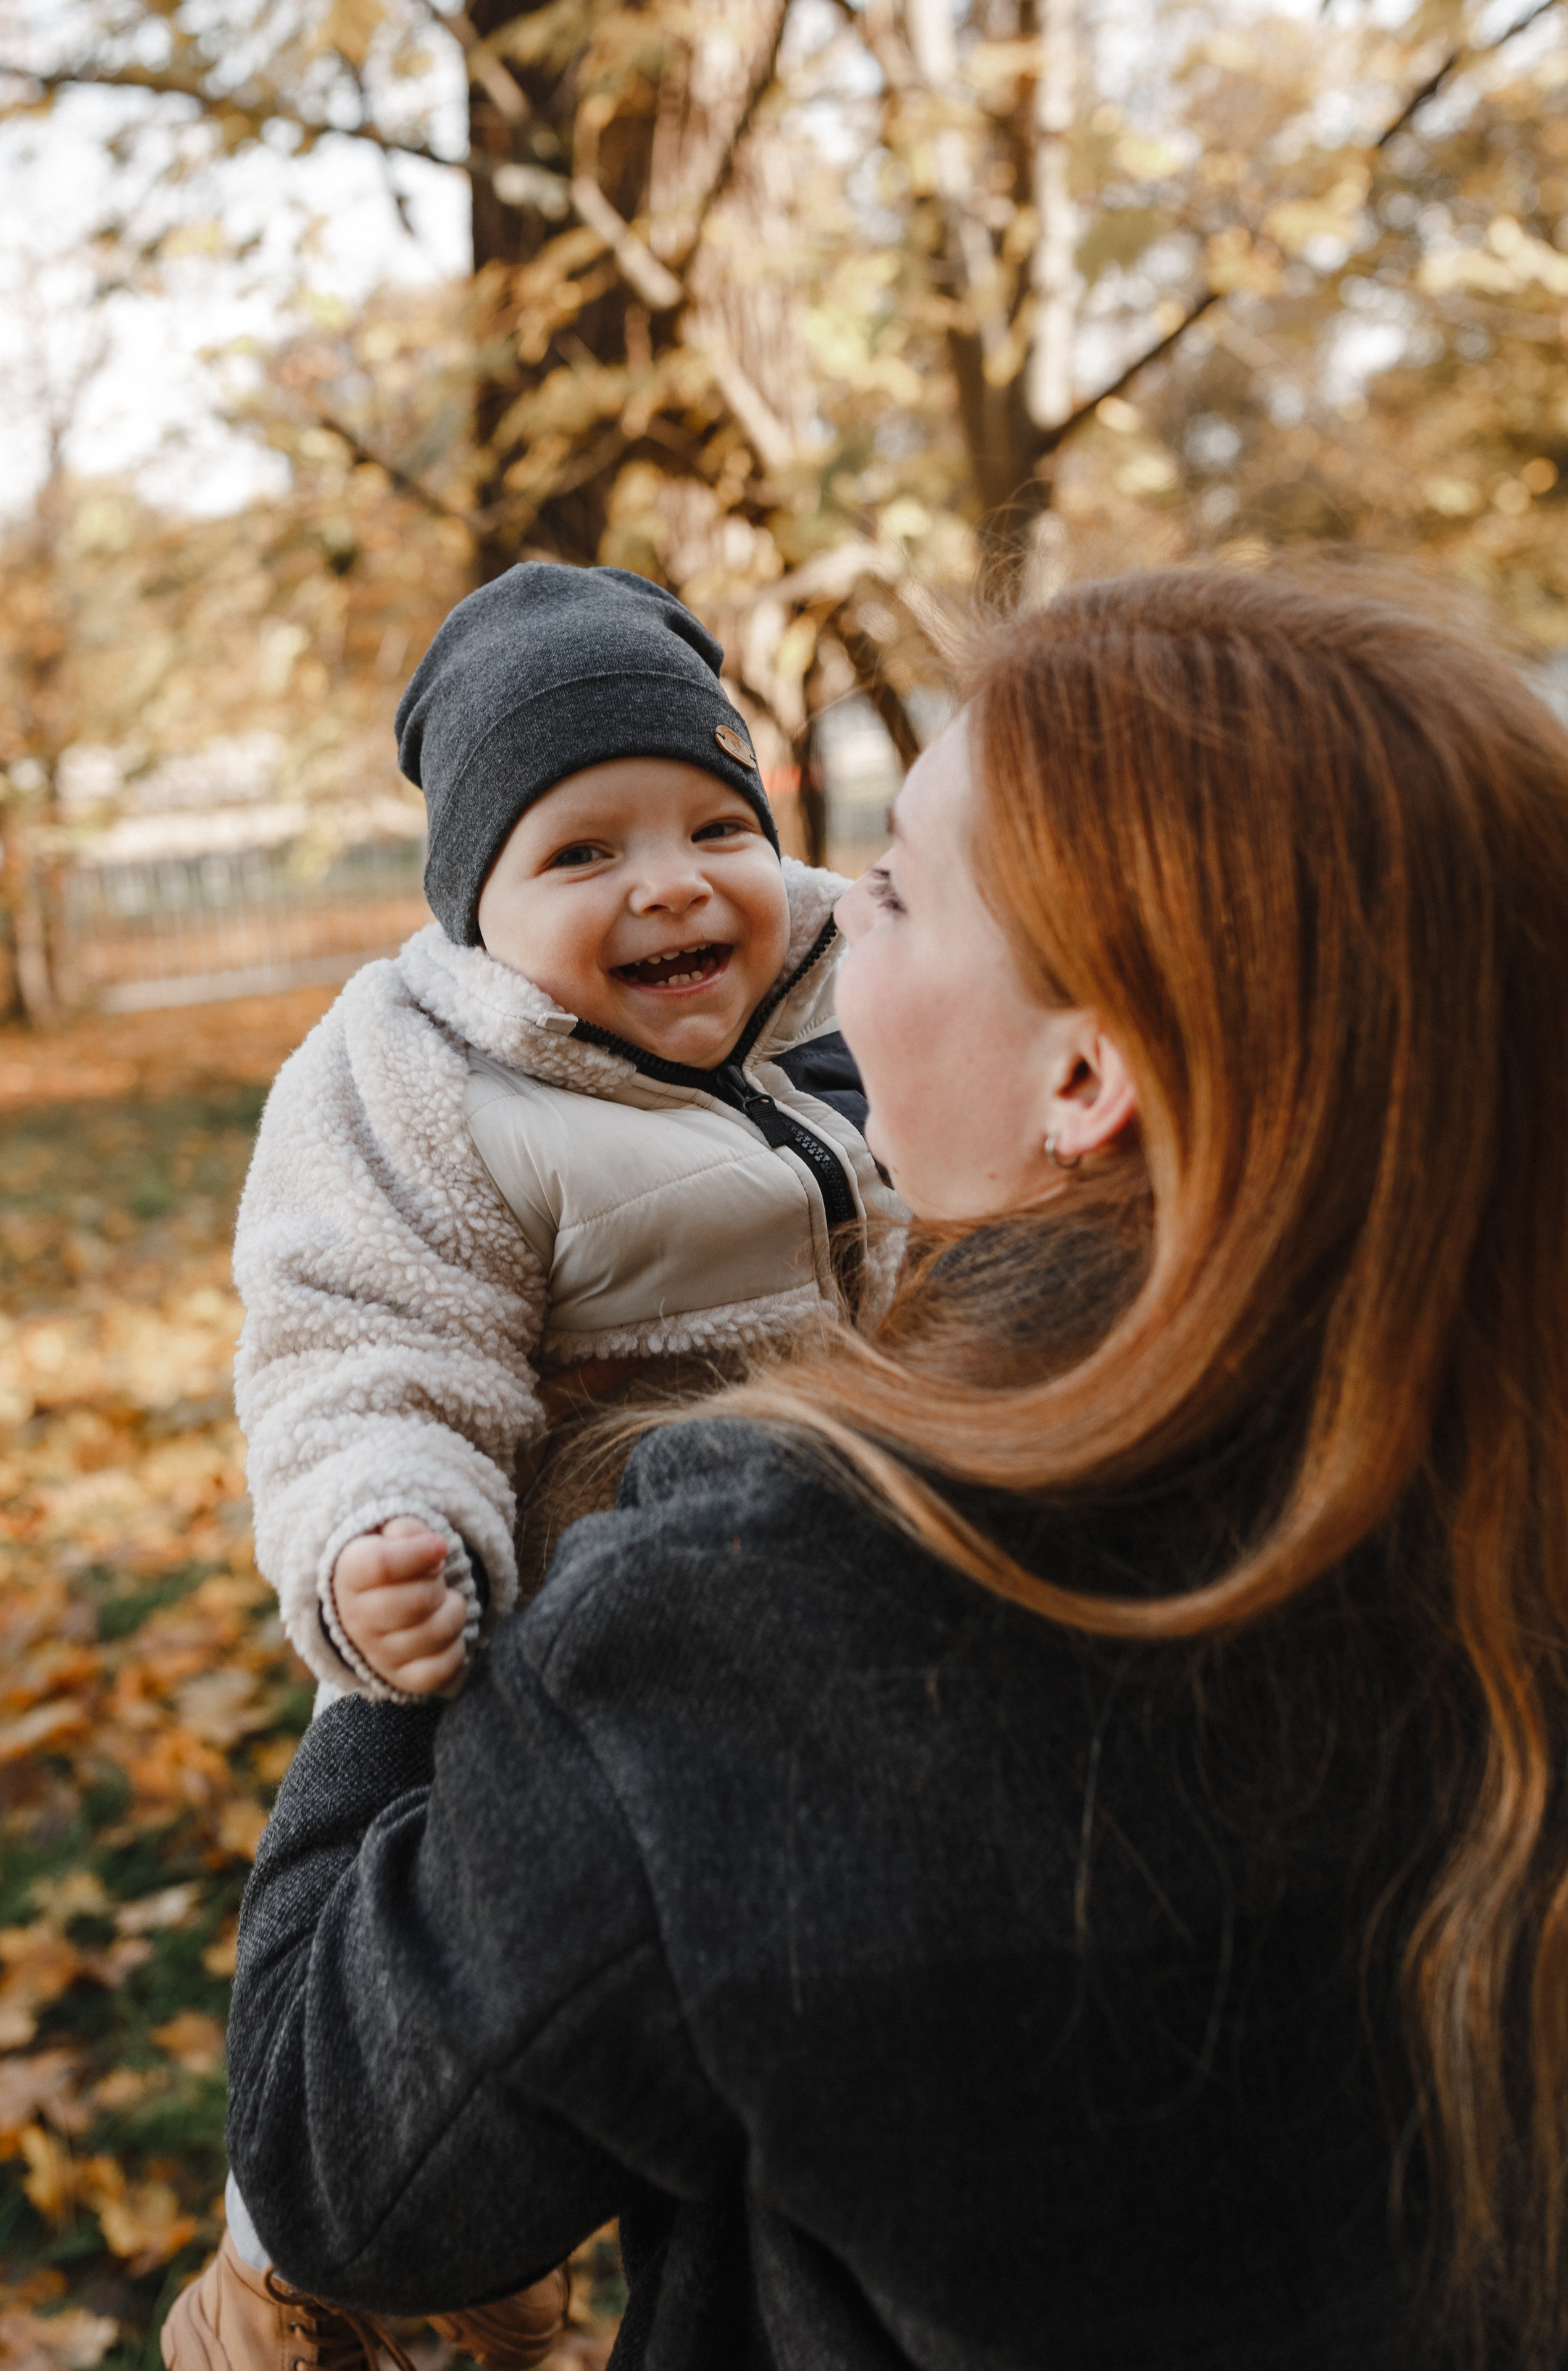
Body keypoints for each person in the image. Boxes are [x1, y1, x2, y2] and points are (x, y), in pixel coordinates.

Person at [220, 568, 1568, 2369]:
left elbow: (345, 2166)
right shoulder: (1507, 1475)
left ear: (1087, 1075)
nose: (824, 919)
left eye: (900, 890)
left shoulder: (757, 1621)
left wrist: (444, 1550)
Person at [164, 563, 898, 2371]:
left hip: (828, 1544)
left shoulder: (858, 969)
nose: (671, 882)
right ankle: (281, 2261)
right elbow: (364, 1337)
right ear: (474, 903)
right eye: (581, 854)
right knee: (431, 1863)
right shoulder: (420, 1074)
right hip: (538, 1560)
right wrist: (379, 1532)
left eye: (718, 821)